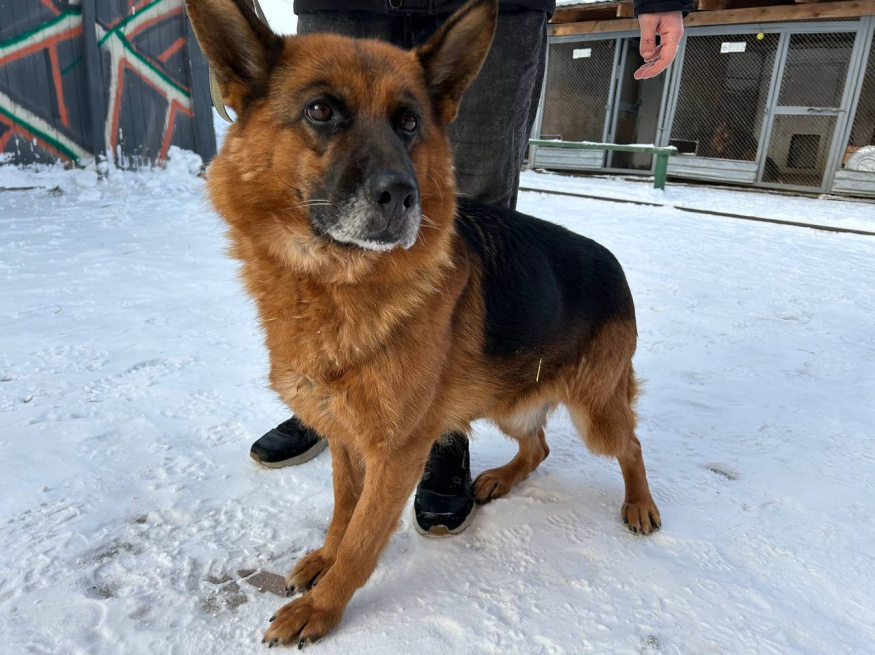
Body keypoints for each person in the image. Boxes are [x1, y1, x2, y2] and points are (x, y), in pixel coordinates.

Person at [248, 0, 692, 536]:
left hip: (496, 9)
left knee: (603, 430)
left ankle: (442, 436)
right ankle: (331, 403)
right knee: (313, 226)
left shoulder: (591, 277)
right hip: (348, 5)